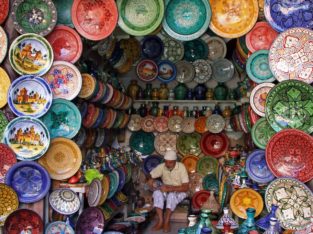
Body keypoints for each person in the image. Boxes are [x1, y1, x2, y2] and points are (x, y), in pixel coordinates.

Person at [146, 150, 189, 233]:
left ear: (175, 161)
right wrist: (150, 180)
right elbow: (149, 175)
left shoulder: (181, 167)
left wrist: (170, 189)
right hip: (166, 189)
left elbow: (186, 187)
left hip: (180, 190)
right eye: (166, 162)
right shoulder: (162, 166)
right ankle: (160, 221)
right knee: (157, 193)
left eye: (170, 163)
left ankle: (166, 222)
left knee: (171, 196)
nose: (168, 164)